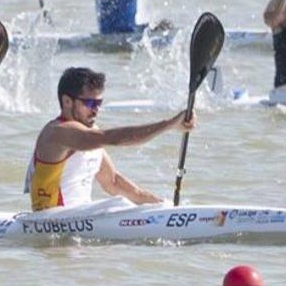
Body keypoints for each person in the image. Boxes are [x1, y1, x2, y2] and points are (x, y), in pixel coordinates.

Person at [26, 67, 194, 211]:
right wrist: (170, 124)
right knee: (117, 205)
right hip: (52, 221)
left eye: (99, 103)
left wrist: (162, 206)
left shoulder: (91, 132)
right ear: (67, 101)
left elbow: (113, 183)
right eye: (90, 103)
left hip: (80, 219)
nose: (95, 110)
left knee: (123, 202)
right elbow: (113, 138)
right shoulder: (58, 132)